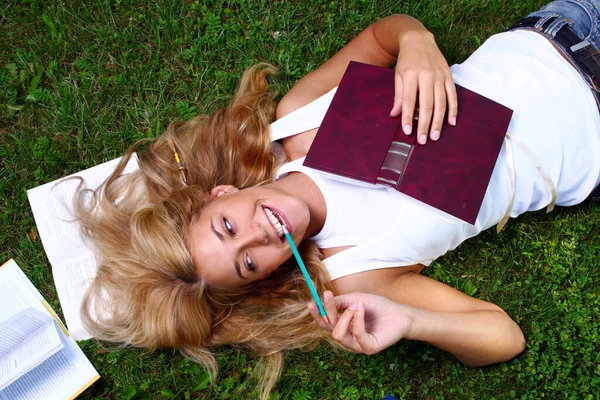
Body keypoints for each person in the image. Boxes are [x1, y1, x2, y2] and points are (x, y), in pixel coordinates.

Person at [76, 1, 600, 399]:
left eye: (228, 228)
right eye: (250, 262)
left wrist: (417, 40)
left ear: (222, 193)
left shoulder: (299, 115)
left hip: (567, 30)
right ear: (264, 277)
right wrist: (411, 322)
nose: (261, 236)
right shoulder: (358, 272)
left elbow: (382, 35)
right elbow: (503, 336)